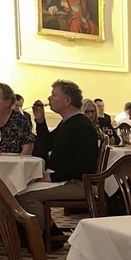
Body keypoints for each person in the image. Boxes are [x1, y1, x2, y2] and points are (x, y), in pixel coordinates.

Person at [16, 80, 98, 244]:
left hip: (80, 184)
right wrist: (40, 120)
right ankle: (47, 233)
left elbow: (84, 165)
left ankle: (49, 236)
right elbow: (48, 144)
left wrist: (53, 177)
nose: (49, 98)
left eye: (54, 95)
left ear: (67, 100)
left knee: (26, 196)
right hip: (67, 179)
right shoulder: (68, 121)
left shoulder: (81, 125)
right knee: (18, 189)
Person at [0, 82, 34, 155]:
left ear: (8, 102)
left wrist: (19, 161)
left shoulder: (19, 120)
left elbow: (28, 148)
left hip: (15, 161)